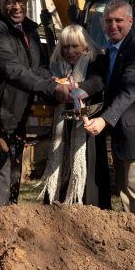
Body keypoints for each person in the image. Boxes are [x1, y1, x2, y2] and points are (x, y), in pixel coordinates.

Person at [0, 0, 72, 206]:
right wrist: (51, 88)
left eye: (20, 1)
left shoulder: (30, 31)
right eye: (9, 2)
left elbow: (38, 67)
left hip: (19, 117)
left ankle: (8, 224)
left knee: (14, 177)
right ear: (0, 3)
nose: (16, 7)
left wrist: (50, 80)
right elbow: (13, 70)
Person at [85, 0, 135, 218]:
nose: (113, 25)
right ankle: (134, 244)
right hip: (122, 134)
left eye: (119, 20)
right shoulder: (110, 50)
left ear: (130, 21)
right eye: (108, 21)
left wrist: (103, 119)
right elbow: (100, 81)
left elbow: (129, 91)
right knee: (125, 191)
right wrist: (79, 91)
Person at [39, 24, 109, 207]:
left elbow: (97, 83)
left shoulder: (97, 60)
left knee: (88, 177)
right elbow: (47, 90)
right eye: (65, 47)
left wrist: (73, 90)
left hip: (87, 128)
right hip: (63, 129)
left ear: (85, 46)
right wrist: (53, 87)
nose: (70, 51)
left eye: (74, 46)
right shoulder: (55, 66)